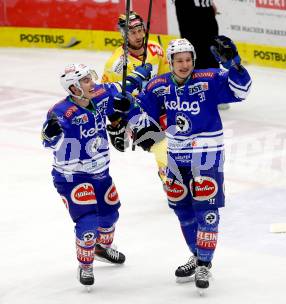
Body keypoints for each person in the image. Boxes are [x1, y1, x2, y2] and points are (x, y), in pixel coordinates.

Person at [122, 36, 251, 291]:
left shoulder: (210, 79)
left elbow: (241, 90)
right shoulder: (159, 85)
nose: (184, 64)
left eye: (188, 59)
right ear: (170, 62)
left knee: (207, 210)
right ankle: (197, 254)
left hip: (206, 153)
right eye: (179, 60)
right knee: (182, 210)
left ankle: (204, 262)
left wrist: (235, 65)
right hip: (175, 155)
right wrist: (127, 105)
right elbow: (138, 112)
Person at [41, 63, 151, 289]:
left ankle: (100, 249)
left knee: (110, 215)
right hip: (72, 177)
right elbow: (48, 141)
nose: (92, 83)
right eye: (86, 80)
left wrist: (129, 98)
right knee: (88, 222)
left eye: (90, 78)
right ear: (73, 88)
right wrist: (50, 134)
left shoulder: (100, 94)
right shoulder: (61, 113)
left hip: (100, 173)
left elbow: (122, 90)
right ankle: (85, 264)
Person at [102, 11, 169, 185]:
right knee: (159, 144)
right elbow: (107, 97)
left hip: (160, 105)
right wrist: (115, 123)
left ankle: (176, 173)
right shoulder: (115, 64)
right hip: (134, 113)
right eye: (133, 32)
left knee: (178, 140)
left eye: (140, 30)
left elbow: (168, 78)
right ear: (124, 34)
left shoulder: (156, 50)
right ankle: (168, 176)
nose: (139, 36)